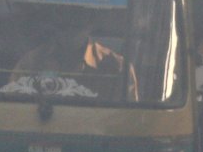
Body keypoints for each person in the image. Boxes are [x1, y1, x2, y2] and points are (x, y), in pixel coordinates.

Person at [10, 7, 138, 101]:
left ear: (92, 23)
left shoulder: (118, 67)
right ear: (55, 24)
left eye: (78, 19)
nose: (70, 26)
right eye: (64, 23)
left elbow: (129, 121)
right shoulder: (30, 63)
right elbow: (14, 111)